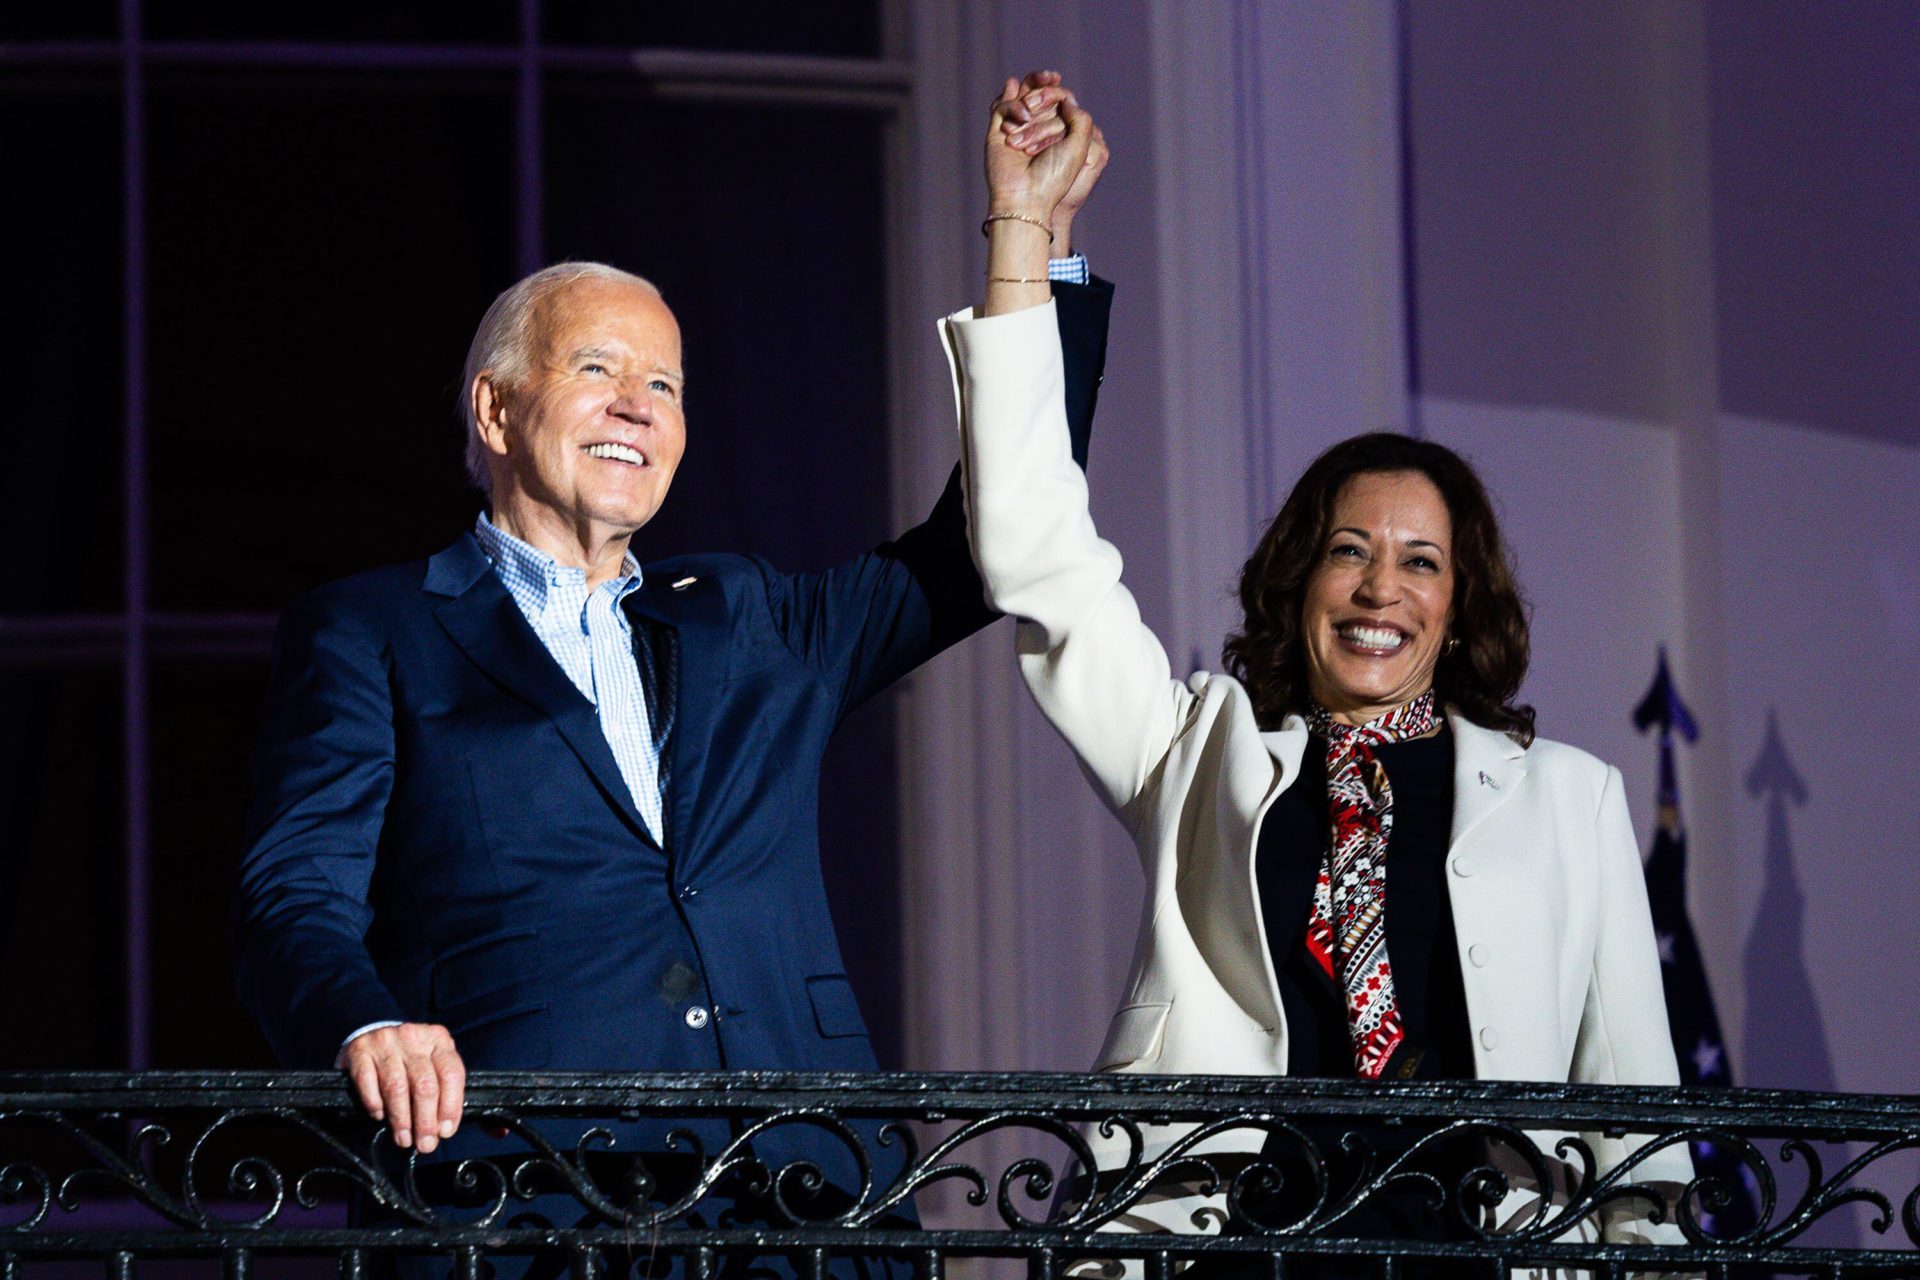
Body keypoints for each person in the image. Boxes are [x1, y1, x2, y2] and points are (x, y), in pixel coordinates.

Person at [230, 71, 1110, 1271]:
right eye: (598, 369)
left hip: (806, 1197)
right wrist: (366, 1021)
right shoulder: (373, 628)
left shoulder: (747, 615)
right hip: (523, 1201)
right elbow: (293, 895)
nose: (637, 408)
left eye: (666, 385)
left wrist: (1028, 241)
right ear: (495, 410)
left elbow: (985, 544)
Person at [943, 97, 1692, 1268]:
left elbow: (1639, 1131)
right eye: (1349, 549)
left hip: (1480, 1252)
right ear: (1300, 581)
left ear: (1458, 608)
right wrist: (1020, 233)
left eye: (1420, 560)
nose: (1379, 586)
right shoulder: (1196, 750)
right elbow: (1034, 548)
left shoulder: (1574, 798)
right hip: (1231, 1246)